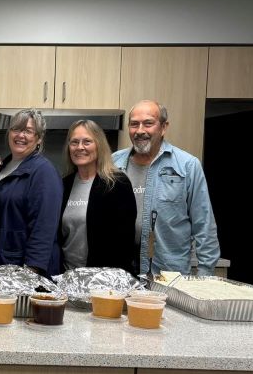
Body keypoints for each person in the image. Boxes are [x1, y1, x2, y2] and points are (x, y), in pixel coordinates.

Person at [112, 100, 220, 275]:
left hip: (168, 275)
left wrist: (205, 277)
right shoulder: (113, 163)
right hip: (121, 273)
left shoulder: (187, 166)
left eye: (148, 123)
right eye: (134, 124)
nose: (140, 131)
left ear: (163, 127)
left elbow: (204, 225)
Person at [0, 108, 62, 276]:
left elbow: (43, 228)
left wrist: (30, 274)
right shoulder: (2, 167)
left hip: (22, 270)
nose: (20, 135)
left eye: (28, 131)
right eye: (16, 129)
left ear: (39, 138)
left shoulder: (43, 172)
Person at [60, 119, 137, 273]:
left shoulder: (117, 184)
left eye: (87, 142)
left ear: (99, 145)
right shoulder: (63, 185)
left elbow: (125, 242)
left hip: (103, 282)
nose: (80, 147)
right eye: (74, 142)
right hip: (66, 277)